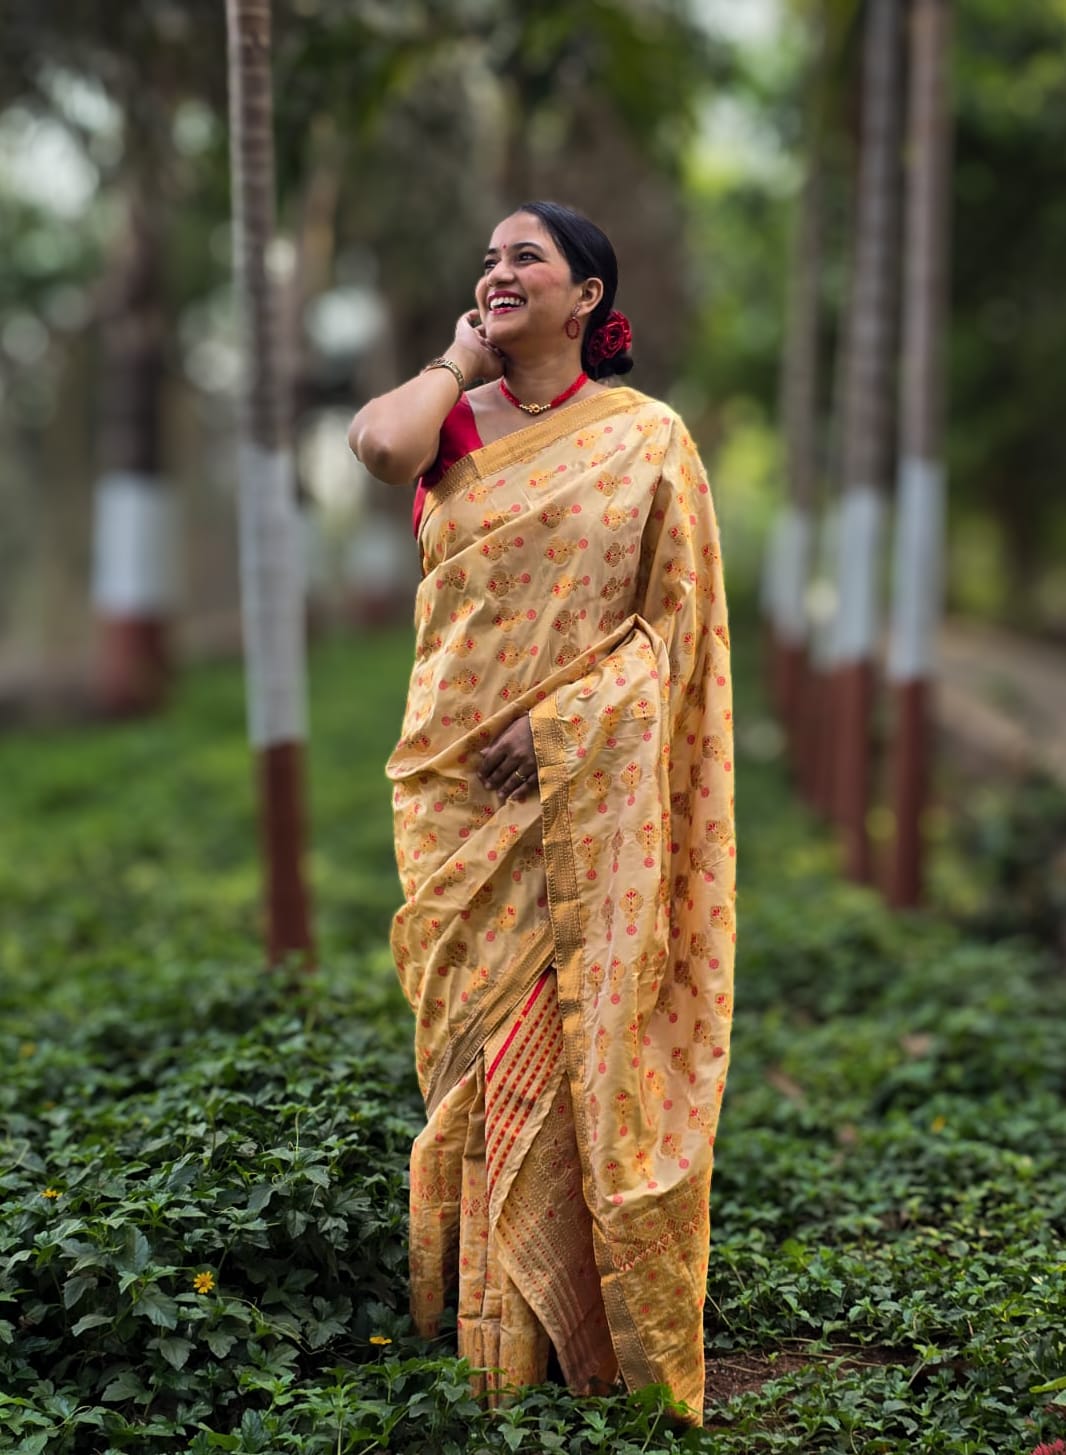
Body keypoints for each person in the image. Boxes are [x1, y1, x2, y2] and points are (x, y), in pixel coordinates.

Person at [348, 201, 735, 1424]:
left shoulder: (648, 441)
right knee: (470, 1063)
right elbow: (374, 450)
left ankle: (580, 1348)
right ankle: (486, 1346)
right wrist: (457, 359)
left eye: (529, 258)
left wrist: (565, 724)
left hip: (579, 790)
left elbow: (671, 630)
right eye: (489, 258)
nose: (499, 270)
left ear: (588, 298)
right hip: (454, 790)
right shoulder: (452, 422)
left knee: (568, 1053)